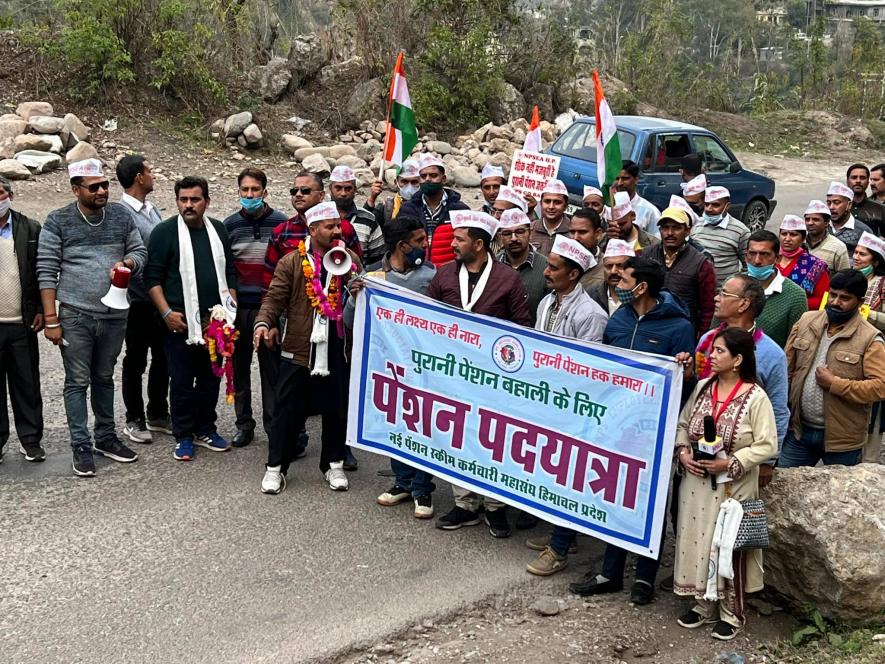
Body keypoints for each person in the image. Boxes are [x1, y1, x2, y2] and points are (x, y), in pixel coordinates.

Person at [569, 257, 695, 605]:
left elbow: (685, 382)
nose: (615, 282)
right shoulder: (619, 319)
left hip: (653, 430)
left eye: (623, 279)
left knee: (651, 502)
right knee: (615, 495)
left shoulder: (678, 327)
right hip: (616, 425)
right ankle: (609, 572)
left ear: (641, 288)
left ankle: (644, 577)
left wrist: (684, 372)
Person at [37, 158, 147, 477]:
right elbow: (46, 271)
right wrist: (51, 320)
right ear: (76, 189)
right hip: (75, 315)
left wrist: (128, 261)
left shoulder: (120, 215)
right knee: (77, 381)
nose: (102, 191)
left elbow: (140, 252)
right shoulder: (58, 221)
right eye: (94, 187)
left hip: (114, 315)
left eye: (105, 185)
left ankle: (106, 438)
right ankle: (81, 445)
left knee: (103, 377)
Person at [427, 210, 530, 537]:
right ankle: (465, 503)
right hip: (453, 376)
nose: (453, 244)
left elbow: (523, 327)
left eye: (459, 239)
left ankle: (495, 506)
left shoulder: (507, 279)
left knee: (492, 440)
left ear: (480, 244)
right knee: (458, 436)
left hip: (493, 380)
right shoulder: (444, 276)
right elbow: (424, 318)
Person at [674, 327, 777, 641]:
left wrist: (731, 462)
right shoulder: (704, 387)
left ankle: (731, 611)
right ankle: (702, 603)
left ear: (738, 359)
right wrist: (683, 452)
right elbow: (682, 423)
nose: (712, 355)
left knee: (727, 544)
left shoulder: (755, 396)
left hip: (734, 486)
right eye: (713, 349)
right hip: (696, 484)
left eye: (720, 351)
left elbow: (767, 444)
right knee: (697, 540)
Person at [255, 202, 361, 494]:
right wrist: (263, 323)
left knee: (336, 409)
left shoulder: (348, 258)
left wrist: (356, 289)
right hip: (299, 350)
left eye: (338, 225)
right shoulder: (291, 261)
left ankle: (334, 465)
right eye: (330, 227)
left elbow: (363, 300)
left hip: (338, 349)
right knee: (286, 411)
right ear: (313, 230)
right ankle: (275, 468)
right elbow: (274, 297)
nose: (337, 231)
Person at [523, 235, 608, 577]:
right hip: (546, 400)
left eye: (554, 268)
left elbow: (586, 369)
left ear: (573, 275)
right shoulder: (547, 304)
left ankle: (559, 549)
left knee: (571, 473)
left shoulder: (591, 315)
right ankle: (564, 534)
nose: (547, 272)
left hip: (572, 406)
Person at [344, 215, 437, 516]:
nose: (426, 246)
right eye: (420, 241)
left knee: (423, 427)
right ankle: (403, 481)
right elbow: (349, 321)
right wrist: (353, 298)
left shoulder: (431, 277)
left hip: (423, 367)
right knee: (396, 422)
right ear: (402, 245)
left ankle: (423, 490)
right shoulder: (374, 279)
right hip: (389, 366)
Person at [144, 176, 237, 462]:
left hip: (216, 324)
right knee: (182, 381)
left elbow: (229, 273)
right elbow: (152, 279)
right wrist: (167, 313)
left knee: (211, 379)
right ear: (177, 202)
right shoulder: (164, 232)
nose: (188, 205)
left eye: (195, 199)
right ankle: (184, 435)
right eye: (183, 199)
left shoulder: (218, 230)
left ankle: (205, 428)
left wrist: (228, 313)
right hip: (180, 324)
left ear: (206, 202)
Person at [781, 269, 885, 468]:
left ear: (860, 301)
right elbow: (787, 367)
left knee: (842, 497)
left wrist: (834, 384)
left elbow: (881, 387)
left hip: (843, 442)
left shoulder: (870, 338)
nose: (836, 302)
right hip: (798, 433)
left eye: (845, 298)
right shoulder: (806, 321)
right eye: (833, 295)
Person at [692, 275, 789, 470]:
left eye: (723, 293)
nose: (716, 298)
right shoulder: (706, 341)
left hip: (742, 460)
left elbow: (778, 410)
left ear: (743, 304)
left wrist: (767, 463)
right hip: (699, 455)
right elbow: (696, 392)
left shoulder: (772, 354)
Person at [222, 167, 288, 448]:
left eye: (255, 190)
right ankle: (243, 424)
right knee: (238, 370)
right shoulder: (230, 225)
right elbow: (225, 267)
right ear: (239, 192)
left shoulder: (281, 223)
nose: (249, 195)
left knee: (271, 371)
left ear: (265, 191)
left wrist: (276, 312)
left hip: (269, 309)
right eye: (245, 190)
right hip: (239, 309)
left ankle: (274, 426)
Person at [118, 156, 170, 446]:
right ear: (139, 177)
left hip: (160, 298)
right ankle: (134, 418)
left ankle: (158, 412)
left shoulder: (151, 209)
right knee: (136, 360)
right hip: (138, 299)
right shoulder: (122, 213)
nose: (153, 175)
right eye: (149, 171)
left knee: (163, 357)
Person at [0, 176, 44, 464]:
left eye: (0, 192)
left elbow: (43, 271)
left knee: (26, 384)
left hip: (22, 322)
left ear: (10, 195)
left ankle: (30, 441)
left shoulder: (29, 228)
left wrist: (42, 308)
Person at [643, 206, 716, 338]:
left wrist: (702, 337)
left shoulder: (701, 263)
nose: (670, 233)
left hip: (682, 333)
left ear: (687, 231)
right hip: (649, 328)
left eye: (676, 228)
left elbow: (708, 307)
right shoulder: (646, 255)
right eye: (665, 228)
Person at [849, 232, 885, 463]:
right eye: (856, 253)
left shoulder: (881, 285)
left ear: (875, 260)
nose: (856, 257)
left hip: (874, 354)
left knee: (872, 417)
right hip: (849, 354)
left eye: (863, 254)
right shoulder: (848, 279)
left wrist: (868, 314)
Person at [399, 154, 469, 266]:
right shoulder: (408, 209)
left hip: (450, 273)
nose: (427, 179)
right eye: (423, 176)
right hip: (416, 270)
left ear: (444, 178)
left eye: (433, 175)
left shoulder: (460, 210)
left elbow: (467, 245)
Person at [744, 230, 808, 348]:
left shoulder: (795, 296)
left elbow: (796, 342)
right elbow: (715, 328)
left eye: (764, 254)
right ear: (745, 256)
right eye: (752, 253)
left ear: (777, 258)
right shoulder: (732, 284)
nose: (757, 261)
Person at [690, 186, 750, 289]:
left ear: (727, 206)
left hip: (725, 294)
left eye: (715, 205)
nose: (709, 209)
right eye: (707, 204)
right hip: (697, 290)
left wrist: (735, 288)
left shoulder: (740, 231)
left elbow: (748, 266)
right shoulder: (695, 225)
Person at [496, 208, 547, 326]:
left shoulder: (546, 268)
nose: (513, 238)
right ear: (500, 236)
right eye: (507, 233)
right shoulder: (491, 265)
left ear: (530, 233)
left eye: (519, 232)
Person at [330, 165, 383, 265]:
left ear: (355, 190)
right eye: (338, 188)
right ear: (330, 189)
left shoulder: (369, 219)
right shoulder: (320, 217)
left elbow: (378, 260)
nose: (343, 193)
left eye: (348, 188)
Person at [776, 214, 830, 311]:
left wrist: (790, 305)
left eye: (793, 234)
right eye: (784, 234)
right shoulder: (770, 259)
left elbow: (822, 299)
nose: (787, 239)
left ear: (803, 238)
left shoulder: (815, 265)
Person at [365, 158, 420, 227]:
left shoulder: (427, 206)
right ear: (396, 182)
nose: (409, 186)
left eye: (414, 182)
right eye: (404, 182)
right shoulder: (387, 208)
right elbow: (365, 225)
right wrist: (372, 199)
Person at [615, 160, 661, 238]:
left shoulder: (650, 211)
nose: (619, 183)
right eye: (617, 178)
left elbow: (657, 242)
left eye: (625, 178)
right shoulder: (608, 208)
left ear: (636, 180)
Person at [589, 239, 635, 316]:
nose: (613, 271)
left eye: (620, 265)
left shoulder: (640, 295)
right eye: (609, 266)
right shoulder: (591, 294)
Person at [827, 181, 872, 255]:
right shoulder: (821, 227)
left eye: (837, 202)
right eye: (829, 203)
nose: (831, 207)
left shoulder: (863, 231)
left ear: (849, 205)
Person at [805, 199, 850, 273]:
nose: (810, 223)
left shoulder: (838, 247)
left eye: (815, 219)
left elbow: (844, 279)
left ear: (826, 223)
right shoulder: (799, 243)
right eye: (807, 219)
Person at [530, 179, 571, 256]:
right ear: (541, 203)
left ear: (565, 206)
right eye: (547, 201)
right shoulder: (530, 229)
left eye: (557, 202)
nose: (551, 207)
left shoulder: (573, 232)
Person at [569, 207, 605, 291]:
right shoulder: (560, 262)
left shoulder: (608, 267)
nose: (575, 238)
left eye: (582, 232)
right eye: (572, 232)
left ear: (598, 233)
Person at [847, 163, 885, 235]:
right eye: (854, 177)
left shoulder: (880, 209)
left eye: (862, 178)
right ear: (847, 180)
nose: (858, 181)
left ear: (867, 182)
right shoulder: (837, 207)